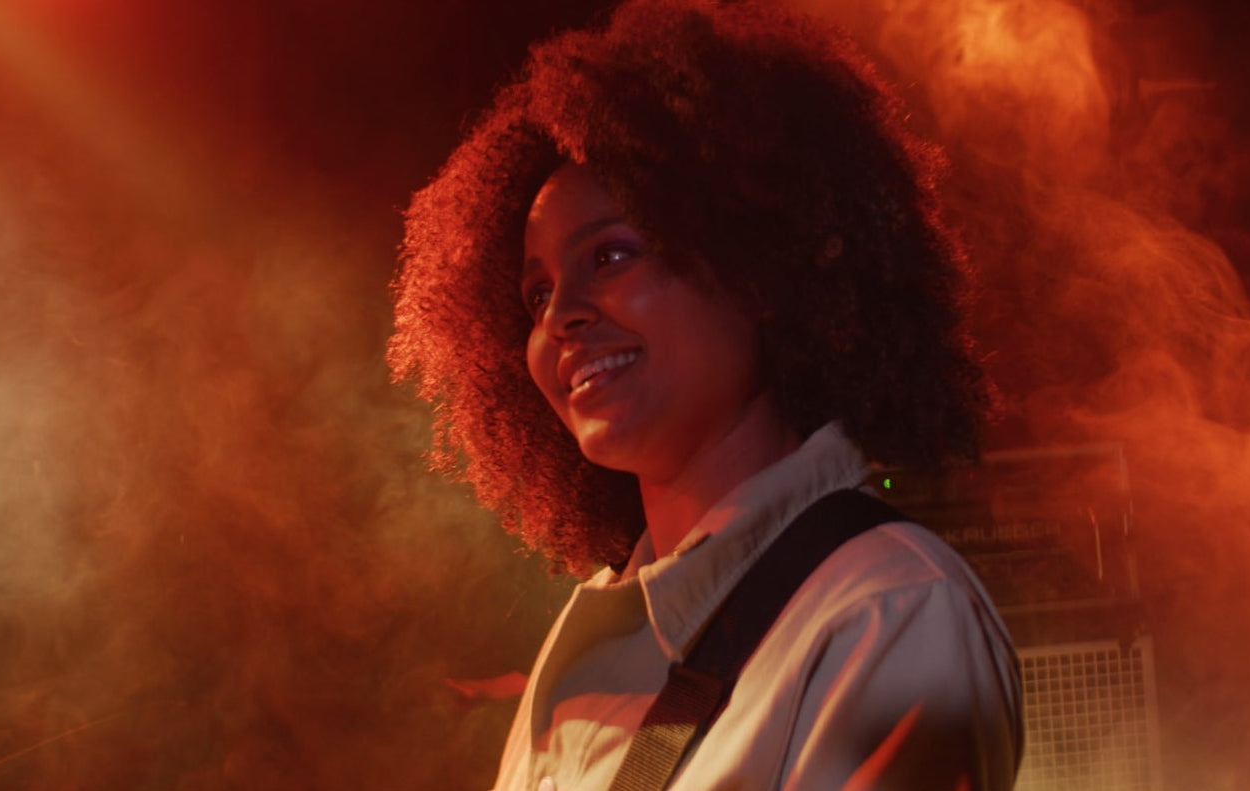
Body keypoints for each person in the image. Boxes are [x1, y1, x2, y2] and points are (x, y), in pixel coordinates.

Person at [388, 1, 1023, 789]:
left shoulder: (890, 611)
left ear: (761, 263)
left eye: (611, 254)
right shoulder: (577, 652)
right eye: (535, 294)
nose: (561, 315)